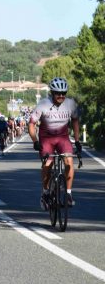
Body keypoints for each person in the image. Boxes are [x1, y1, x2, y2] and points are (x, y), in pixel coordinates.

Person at [28, 77, 81, 209]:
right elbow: (31, 124)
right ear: (52, 93)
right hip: (46, 138)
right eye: (58, 93)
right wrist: (35, 141)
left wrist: (78, 141)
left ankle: (68, 193)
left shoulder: (70, 104)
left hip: (63, 138)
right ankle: (45, 192)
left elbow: (75, 121)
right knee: (48, 163)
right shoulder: (43, 104)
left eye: (64, 93)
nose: (61, 96)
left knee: (69, 161)